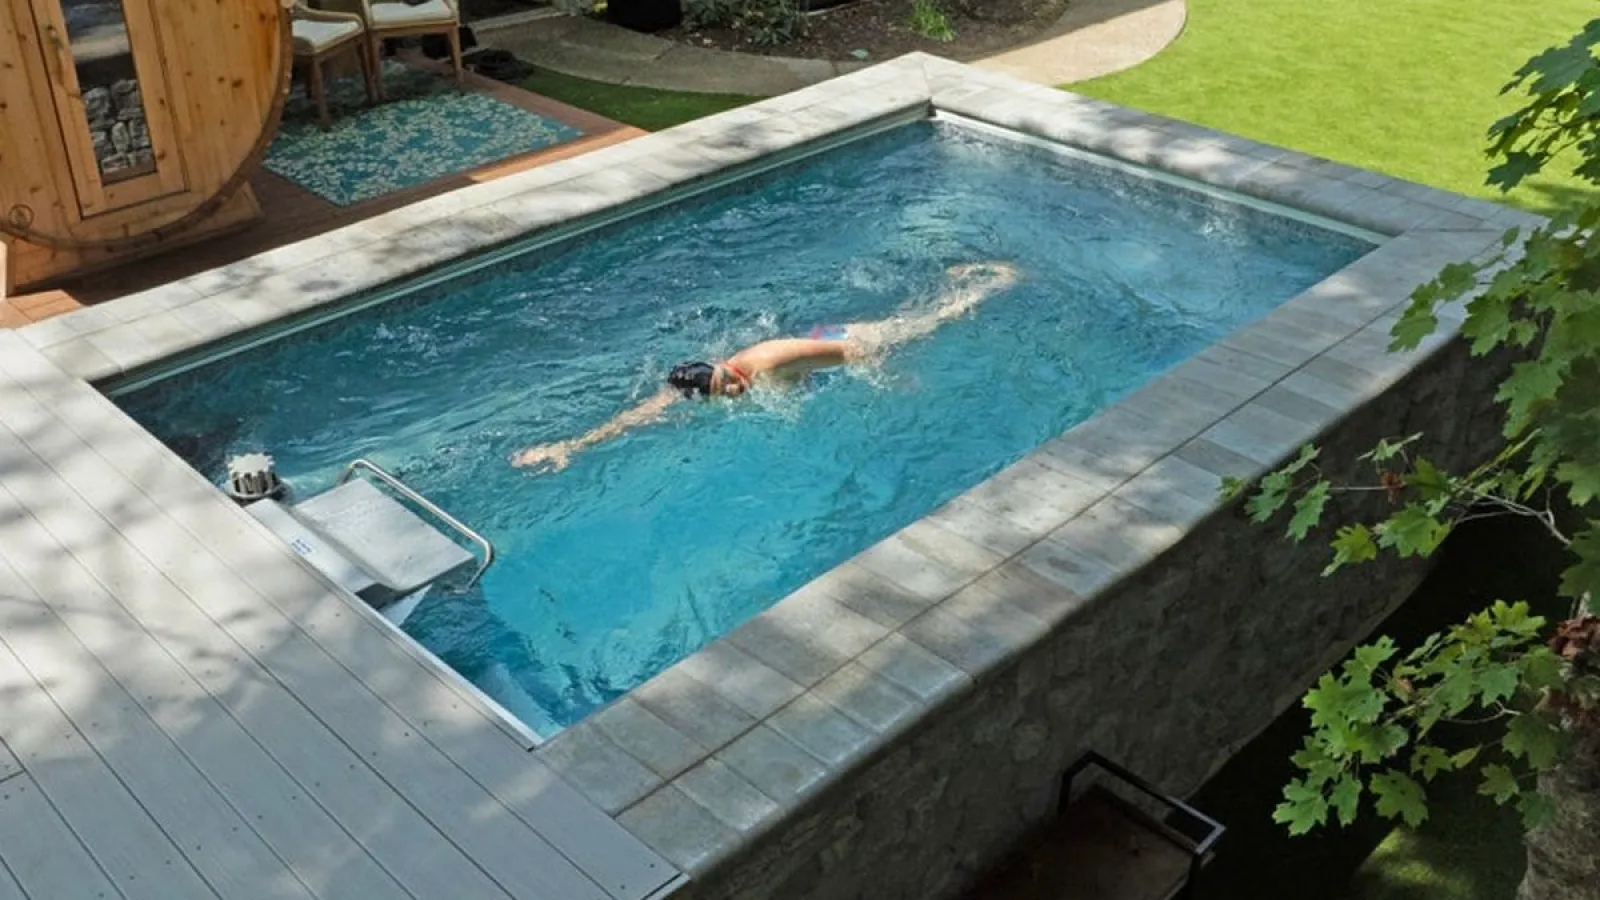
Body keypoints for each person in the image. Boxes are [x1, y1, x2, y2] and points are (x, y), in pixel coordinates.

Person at [512, 262, 1019, 472]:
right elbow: (638, 416)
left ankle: (990, 281)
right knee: (919, 315)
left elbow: (855, 355)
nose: (733, 394)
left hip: (841, 343)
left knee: (934, 321)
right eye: (722, 393)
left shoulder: (766, 362)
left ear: (729, 368)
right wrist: (570, 446)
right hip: (815, 353)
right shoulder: (697, 384)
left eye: (731, 385)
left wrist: (887, 380)